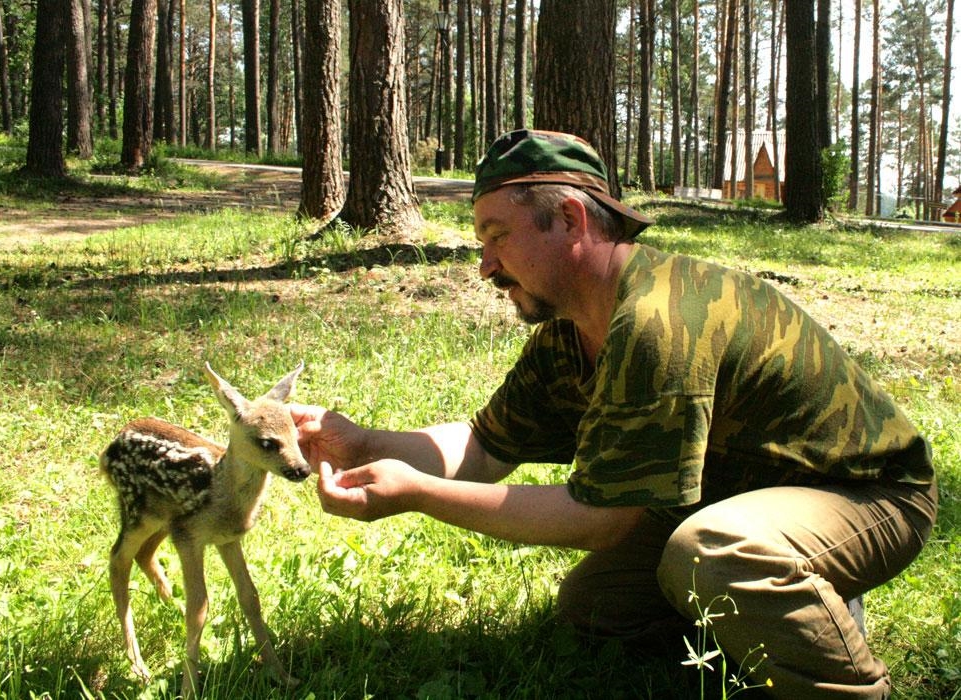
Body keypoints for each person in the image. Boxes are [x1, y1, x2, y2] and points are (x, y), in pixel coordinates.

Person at [291, 129, 937, 698]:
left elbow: (600, 521)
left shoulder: (660, 320)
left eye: (496, 236)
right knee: (596, 608)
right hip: (736, 492)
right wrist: (363, 443)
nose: (485, 264)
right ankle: (783, 607)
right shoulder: (571, 332)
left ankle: (841, 677)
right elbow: (485, 447)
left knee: (716, 554)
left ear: (570, 219)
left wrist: (421, 494)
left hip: (866, 495)